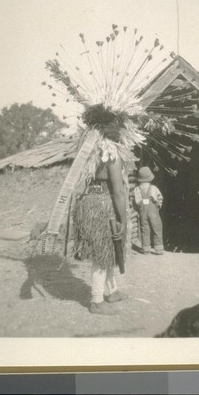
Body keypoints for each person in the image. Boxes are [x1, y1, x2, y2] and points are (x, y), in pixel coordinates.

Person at [73, 124, 129, 315]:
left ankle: (112, 291)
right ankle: (96, 301)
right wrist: (124, 219)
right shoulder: (111, 154)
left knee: (109, 250)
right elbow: (118, 191)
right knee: (102, 253)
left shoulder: (90, 151)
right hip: (102, 205)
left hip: (89, 202)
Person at [133, 166, 164, 255]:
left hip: (142, 211)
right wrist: (158, 206)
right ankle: (158, 248)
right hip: (153, 211)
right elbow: (160, 198)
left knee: (144, 228)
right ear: (149, 178)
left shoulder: (137, 189)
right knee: (157, 227)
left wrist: (138, 209)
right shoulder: (154, 188)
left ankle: (146, 248)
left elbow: (135, 202)